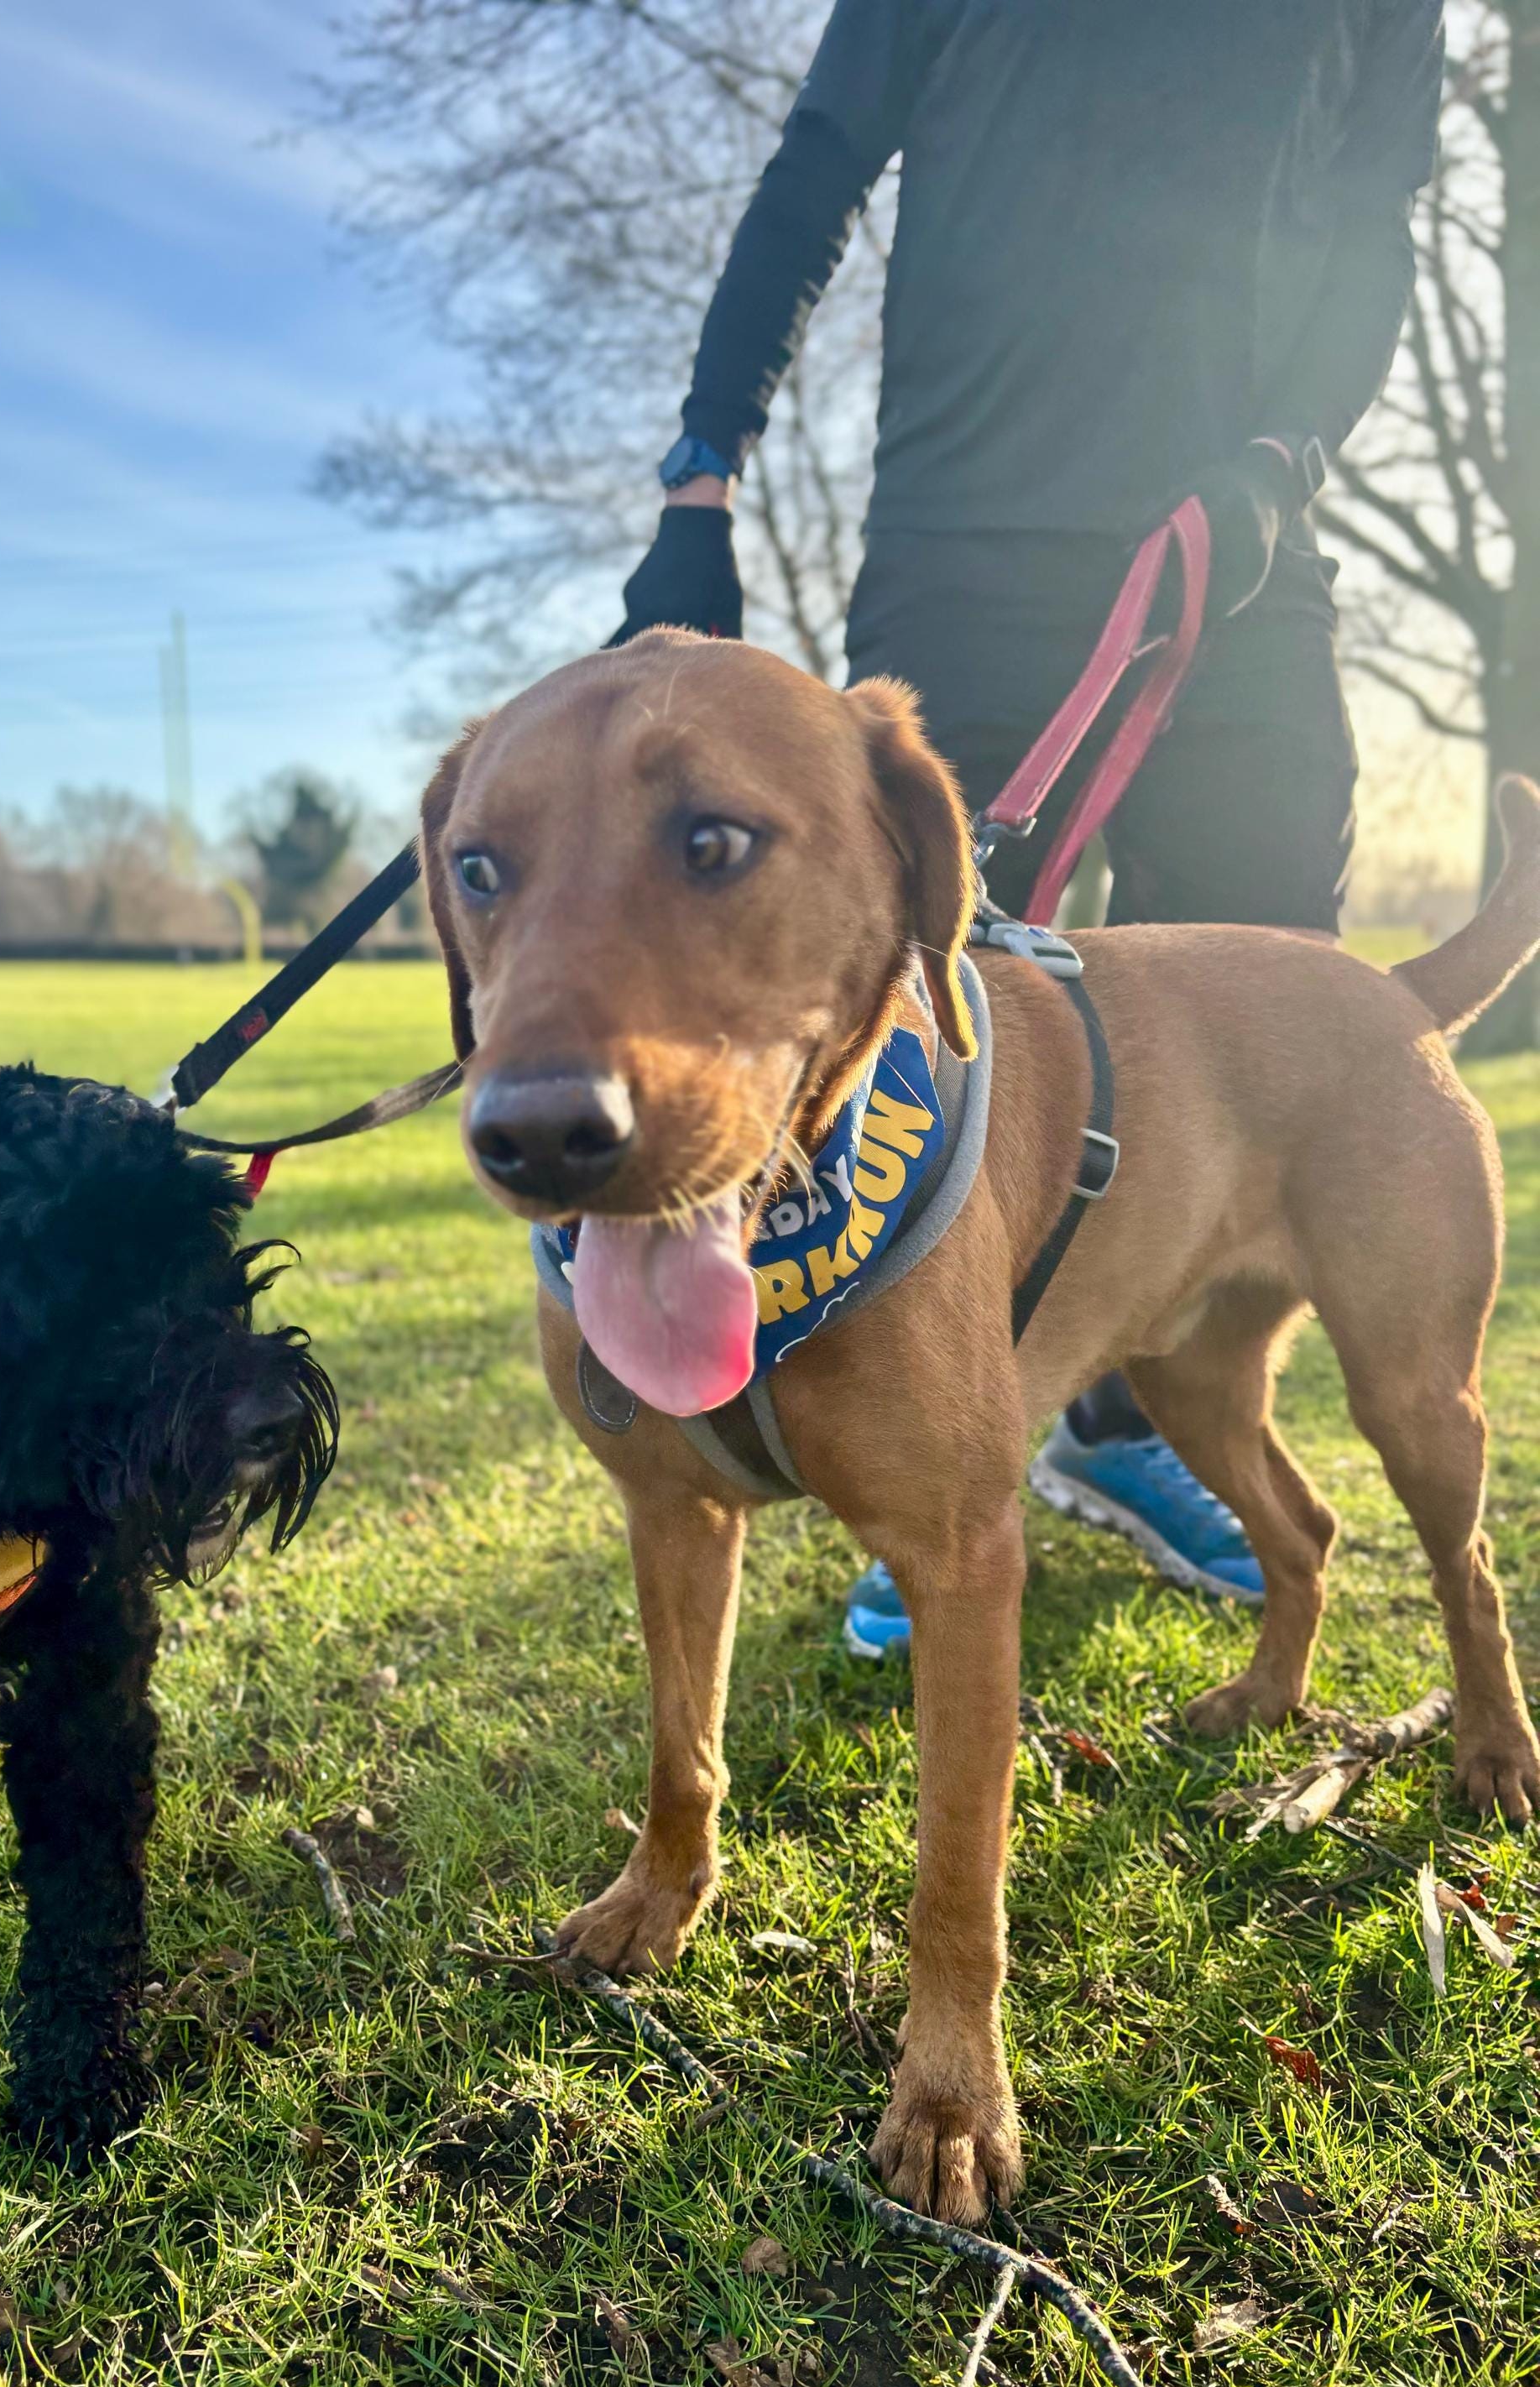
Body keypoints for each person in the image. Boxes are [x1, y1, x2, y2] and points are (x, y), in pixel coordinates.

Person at [613, 0, 1445, 1657]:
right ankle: (939, 1444)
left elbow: (1372, 223)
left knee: (1254, 1031)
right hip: (963, 550)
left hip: (1243, 561)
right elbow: (818, 171)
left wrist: (1290, 458)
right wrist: (703, 466)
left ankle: (1119, 1435)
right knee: (935, 1030)